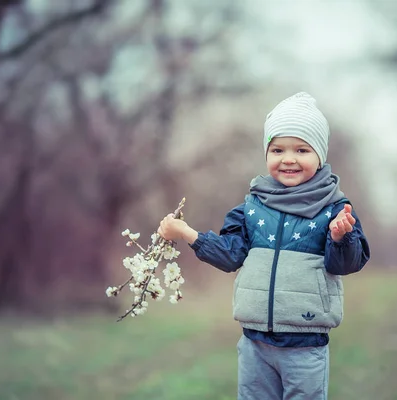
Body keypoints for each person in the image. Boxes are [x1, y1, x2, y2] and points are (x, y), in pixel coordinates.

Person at [158, 92, 370, 400]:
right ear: (266, 153)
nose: (288, 158)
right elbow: (231, 255)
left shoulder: (333, 208)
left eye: (301, 149)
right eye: (277, 149)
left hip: (305, 344)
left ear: (320, 155)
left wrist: (340, 238)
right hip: (254, 342)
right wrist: (188, 233)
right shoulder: (252, 207)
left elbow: (346, 263)